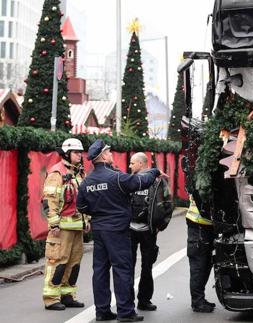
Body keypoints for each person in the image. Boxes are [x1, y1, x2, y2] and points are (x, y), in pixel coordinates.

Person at [76, 140, 166, 322]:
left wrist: (98, 212)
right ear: (102, 156)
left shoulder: (87, 182)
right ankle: (125, 312)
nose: (111, 154)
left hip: (99, 230)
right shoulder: (116, 177)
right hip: (117, 230)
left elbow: (82, 206)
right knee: (122, 269)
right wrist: (155, 171)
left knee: (100, 270)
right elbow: (142, 181)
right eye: (108, 152)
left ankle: (102, 311)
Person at [42, 138, 89, 310]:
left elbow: (83, 200)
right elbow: (49, 201)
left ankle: (67, 295)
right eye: (77, 152)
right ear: (67, 154)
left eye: (81, 152)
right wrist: (54, 224)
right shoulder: (57, 173)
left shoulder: (79, 173)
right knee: (57, 262)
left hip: (77, 227)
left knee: (74, 263)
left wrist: (87, 220)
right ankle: (51, 298)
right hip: (61, 228)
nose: (80, 155)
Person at [129, 153, 159, 312]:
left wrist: (159, 224)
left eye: (132, 163)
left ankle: (144, 300)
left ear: (141, 163)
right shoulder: (129, 180)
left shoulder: (157, 181)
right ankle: (127, 301)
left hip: (149, 231)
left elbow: (165, 203)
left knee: (147, 267)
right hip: (130, 231)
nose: (130, 166)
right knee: (128, 267)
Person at [186, 194, 216, 313]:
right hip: (198, 225)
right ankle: (197, 302)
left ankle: (200, 298)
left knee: (206, 264)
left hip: (205, 225)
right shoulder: (201, 182)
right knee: (199, 266)